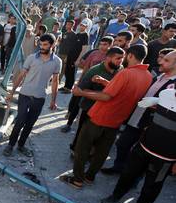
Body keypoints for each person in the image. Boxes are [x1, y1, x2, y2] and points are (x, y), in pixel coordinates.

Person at [62, 44, 153, 188]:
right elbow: (123, 91)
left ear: (130, 55)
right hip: (117, 120)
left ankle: (77, 179)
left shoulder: (125, 73)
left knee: (82, 147)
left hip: (100, 116)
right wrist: (105, 82)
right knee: (102, 152)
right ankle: (90, 177)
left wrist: (82, 93)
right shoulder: (148, 76)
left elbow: (106, 97)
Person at [99, 88, 176, 203]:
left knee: (152, 185)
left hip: (164, 158)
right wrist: (157, 100)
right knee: (128, 173)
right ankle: (116, 196)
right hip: (143, 147)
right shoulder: (166, 93)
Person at [101, 48, 176, 175]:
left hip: (151, 126)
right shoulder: (158, 76)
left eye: (166, 60)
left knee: (140, 157)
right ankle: (119, 167)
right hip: (137, 118)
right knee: (122, 144)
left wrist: (157, 101)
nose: (161, 62)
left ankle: (132, 178)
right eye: (162, 58)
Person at [3, 34, 61, 157]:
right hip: (25, 94)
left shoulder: (57, 62)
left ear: (53, 45)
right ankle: (10, 145)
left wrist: (53, 100)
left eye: (45, 44)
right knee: (20, 121)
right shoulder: (31, 58)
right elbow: (21, 75)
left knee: (30, 124)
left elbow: (55, 81)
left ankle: (21, 145)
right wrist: (12, 92)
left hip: (40, 97)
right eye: (41, 44)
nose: (42, 47)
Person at [67, 47, 125, 152]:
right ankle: (75, 150)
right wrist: (100, 94)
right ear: (108, 58)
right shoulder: (94, 70)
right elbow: (81, 89)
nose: (120, 61)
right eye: (118, 58)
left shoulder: (120, 70)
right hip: (89, 108)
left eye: (122, 58)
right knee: (82, 133)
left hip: (106, 111)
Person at [61, 37, 115, 133]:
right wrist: (80, 81)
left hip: (100, 86)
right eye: (101, 44)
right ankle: (69, 123)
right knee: (77, 103)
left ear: (110, 45)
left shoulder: (111, 57)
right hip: (87, 82)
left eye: (105, 44)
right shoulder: (94, 53)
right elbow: (86, 67)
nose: (102, 46)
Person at [59, 19, 90, 93]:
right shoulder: (78, 34)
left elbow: (84, 49)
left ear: (86, 27)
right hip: (70, 55)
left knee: (72, 73)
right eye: (81, 25)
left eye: (84, 26)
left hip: (76, 57)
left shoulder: (85, 35)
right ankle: (66, 86)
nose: (82, 27)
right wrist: (67, 56)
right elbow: (72, 46)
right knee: (67, 71)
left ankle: (69, 88)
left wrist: (78, 59)